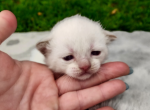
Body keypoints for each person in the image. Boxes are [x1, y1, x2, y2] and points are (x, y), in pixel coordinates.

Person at [0, 10, 132, 110]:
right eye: (68, 57)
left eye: (95, 52)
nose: (85, 65)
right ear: (45, 52)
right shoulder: (35, 74)